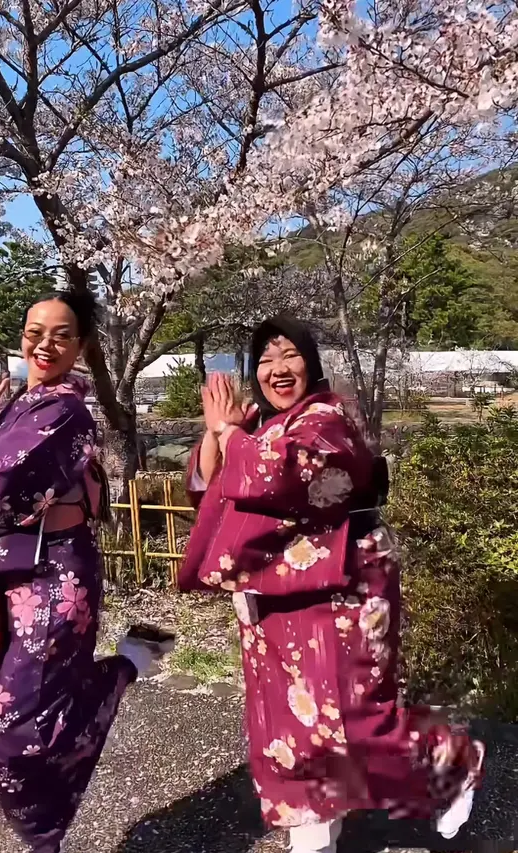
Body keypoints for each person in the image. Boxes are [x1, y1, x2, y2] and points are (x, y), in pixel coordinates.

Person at [178, 314, 484, 853]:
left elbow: (278, 474)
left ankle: (453, 760)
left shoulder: (325, 419)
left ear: (311, 364)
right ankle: (315, 831)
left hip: (345, 590)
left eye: (289, 356)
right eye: (265, 360)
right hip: (280, 594)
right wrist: (216, 432)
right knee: (291, 724)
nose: (277, 369)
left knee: (356, 716)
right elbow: (212, 487)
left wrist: (231, 435)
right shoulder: (265, 425)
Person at [0, 290, 173, 853]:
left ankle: (126, 666)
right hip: (11, 573)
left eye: (61, 334)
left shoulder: (64, 412)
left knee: (15, 727)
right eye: (34, 332)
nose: (44, 344)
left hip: (54, 576)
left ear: (81, 345)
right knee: (2, 713)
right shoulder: (16, 404)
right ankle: (44, 839)